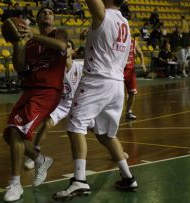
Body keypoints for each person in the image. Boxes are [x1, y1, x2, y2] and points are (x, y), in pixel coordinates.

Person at [52, 0, 137, 201]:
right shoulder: (124, 21)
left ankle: (80, 181)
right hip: (116, 83)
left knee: (75, 127)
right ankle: (128, 177)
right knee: (106, 135)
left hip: (97, 80)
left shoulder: (103, 14)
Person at [2, 7, 68, 202]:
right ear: (37, 19)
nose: (47, 14)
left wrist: (33, 34)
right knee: (10, 134)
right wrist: (17, 44)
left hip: (48, 91)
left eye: (50, 12)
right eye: (43, 13)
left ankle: (15, 184)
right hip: (30, 90)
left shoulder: (59, 33)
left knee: (16, 130)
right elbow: (20, 67)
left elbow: (61, 46)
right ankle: (41, 160)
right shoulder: (29, 44)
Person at [24, 40, 87, 169]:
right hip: (61, 103)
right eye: (64, 48)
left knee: (97, 129)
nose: (66, 49)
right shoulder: (55, 68)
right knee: (47, 123)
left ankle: (116, 152)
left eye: (69, 47)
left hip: (78, 104)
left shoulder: (80, 68)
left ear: (73, 51)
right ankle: (34, 155)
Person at [124, 37, 146, 119]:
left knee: (133, 92)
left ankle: (129, 111)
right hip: (120, 70)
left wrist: (143, 63)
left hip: (130, 71)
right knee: (119, 93)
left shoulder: (134, 42)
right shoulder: (119, 40)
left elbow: (140, 53)